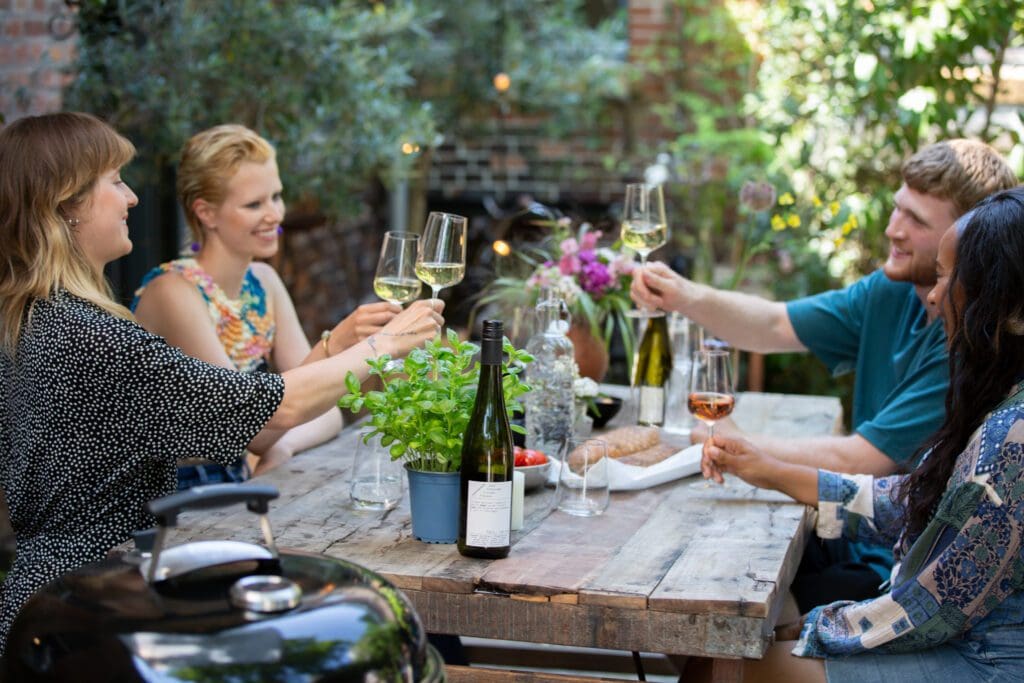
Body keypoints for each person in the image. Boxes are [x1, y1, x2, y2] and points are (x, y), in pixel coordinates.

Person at [0, 112, 443, 652]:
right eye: (115, 181)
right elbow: (261, 411)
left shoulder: (35, 319)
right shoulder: (88, 336)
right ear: (68, 205)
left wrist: (341, 346)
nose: (132, 198)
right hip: (88, 610)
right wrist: (386, 345)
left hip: (56, 603)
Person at [632, 140, 1018, 609]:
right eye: (898, 209)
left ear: (967, 236)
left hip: (892, 562)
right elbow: (776, 323)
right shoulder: (891, 290)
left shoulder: (968, 347)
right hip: (852, 527)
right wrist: (682, 295)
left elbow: (862, 461)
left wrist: (729, 446)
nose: (894, 229)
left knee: (719, 597)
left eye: (916, 221)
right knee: (702, 561)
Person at [694, 188, 1024, 682]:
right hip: (950, 636)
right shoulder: (1001, 399)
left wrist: (816, 626)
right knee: (733, 645)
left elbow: (931, 612)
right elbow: (910, 503)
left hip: (982, 664)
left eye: (949, 277)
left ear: (1005, 303)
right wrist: (770, 472)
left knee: (723, 664)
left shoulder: (1011, 440)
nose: (934, 296)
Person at [131, 124, 402, 484]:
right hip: (175, 491)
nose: (275, 214)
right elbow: (246, 428)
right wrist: (334, 344)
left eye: (276, 196)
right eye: (254, 204)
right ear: (206, 213)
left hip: (236, 478)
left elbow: (325, 411)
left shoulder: (263, 281)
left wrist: (282, 448)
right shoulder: (173, 291)